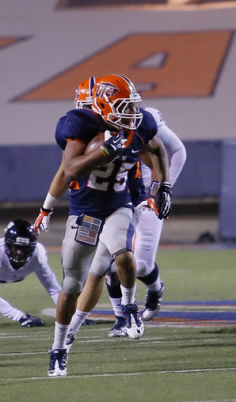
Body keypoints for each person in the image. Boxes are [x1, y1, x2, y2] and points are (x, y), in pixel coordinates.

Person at [33, 74, 171, 377]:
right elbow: (68, 170)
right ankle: (58, 349)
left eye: (132, 106)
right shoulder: (81, 127)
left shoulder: (139, 127)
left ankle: (130, 307)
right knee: (72, 285)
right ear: (104, 106)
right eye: (123, 107)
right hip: (85, 212)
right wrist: (47, 208)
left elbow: (159, 149)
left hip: (118, 206)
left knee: (124, 254)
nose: (131, 114)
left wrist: (163, 187)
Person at [66, 105, 186, 339]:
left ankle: (154, 288)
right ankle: (121, 318)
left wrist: (163, 189)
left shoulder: (143, 119)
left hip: (145, 193)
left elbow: (175, 150)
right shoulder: (90, 126)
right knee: (105, 264)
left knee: (138, 265)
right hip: (117, 194)